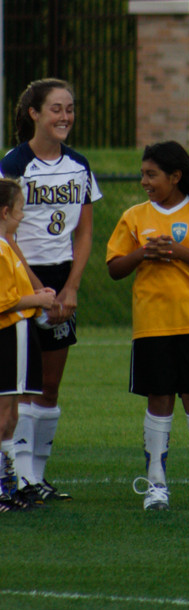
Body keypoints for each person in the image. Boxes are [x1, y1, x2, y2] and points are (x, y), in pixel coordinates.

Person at [106, 141, 189, 512]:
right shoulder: (134, 217)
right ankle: (156, 487)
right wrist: (144, 252)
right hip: (152, 327)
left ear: (175, 176)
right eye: (143, 174)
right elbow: (114, 268)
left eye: (152, 174)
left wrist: (177, 251)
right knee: (158, 401)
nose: (144, 181)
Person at [0, 78, 102, 504]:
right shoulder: (14, 164)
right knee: (19, 385)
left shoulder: (78, 165)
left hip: (61, 279)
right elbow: (6, 231)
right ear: (34, 113)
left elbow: (84, 231)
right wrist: (37, 287)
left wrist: (71, 287)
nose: (66, 116)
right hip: (21, 278)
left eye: (70, 108)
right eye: (57, 108)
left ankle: (36, 476)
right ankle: (17, 476)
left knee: (50, 386)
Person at [0, 179, 57, 511]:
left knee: (10, 415)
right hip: (8, 336)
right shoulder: (2, 248)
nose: (23, 216)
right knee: (5, 415)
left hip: (17, 335)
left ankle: (9, 487)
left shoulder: (8, 246)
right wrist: (38, 299)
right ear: (6, 211)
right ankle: (4, 488)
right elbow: (5, 300)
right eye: (20, 209)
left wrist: (38, 297)